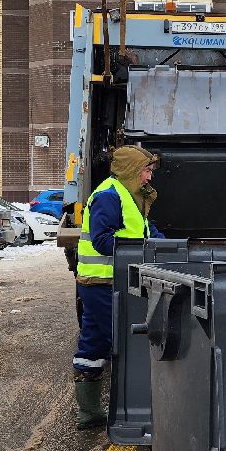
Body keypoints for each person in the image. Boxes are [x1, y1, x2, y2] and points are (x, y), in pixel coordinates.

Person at [73, 145, 162, 429]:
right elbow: (101, 240)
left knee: (94, 342)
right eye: (146, 171)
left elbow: (146, 232)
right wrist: (141, 249)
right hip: (104, 283)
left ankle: (88, 413)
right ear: (131, 171)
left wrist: (168, 246)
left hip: (104, 281)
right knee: (127, 341)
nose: (149, 177)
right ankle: (135, 410)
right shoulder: (109, 196)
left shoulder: (128, 196)